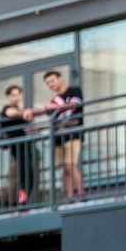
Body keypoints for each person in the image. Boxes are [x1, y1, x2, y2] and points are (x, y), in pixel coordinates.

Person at [41, 67, 85, 200]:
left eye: (52, 81)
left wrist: (53, 107)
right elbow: (49, 114)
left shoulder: (74, 90)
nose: (50, 84)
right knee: (65, 168)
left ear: (60, 78)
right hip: (58, 137)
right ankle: (70, 197)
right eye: (48, 83)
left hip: (73, 133)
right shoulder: (54, 100)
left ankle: (81, 195)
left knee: (71, 165)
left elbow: (74, 105)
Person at [0, 84, 37, 208]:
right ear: (8, 97)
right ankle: (21, 201)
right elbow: (10, 113)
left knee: (28, 174)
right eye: (13, 95)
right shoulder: (7, 109)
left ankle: (23, 200)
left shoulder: (19, 110)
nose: (16, 97)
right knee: (25, 174)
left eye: (18, 95)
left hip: (24, 145)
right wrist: (26, 112)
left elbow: (26, 124)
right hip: (17, 146)